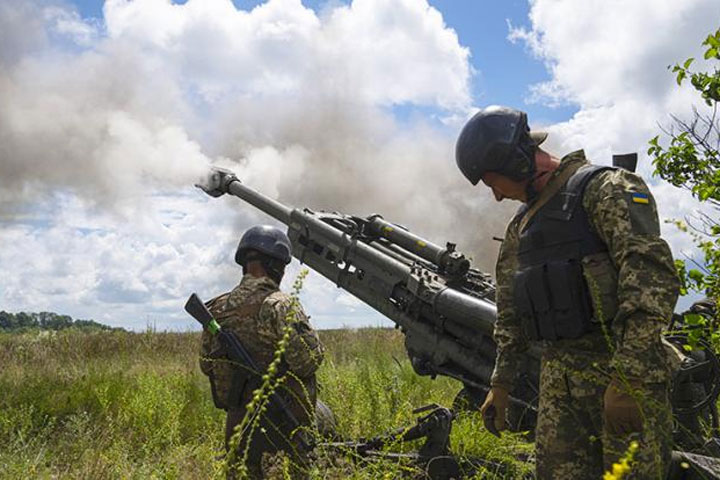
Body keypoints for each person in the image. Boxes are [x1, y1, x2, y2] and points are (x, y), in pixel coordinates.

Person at [455, 106, 680, 479]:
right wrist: (501, 383)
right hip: (560, 385)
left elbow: (650, 285)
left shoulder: (607, 190)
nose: (496, 197)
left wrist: (629, 380)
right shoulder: (522, 227)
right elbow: (510, 311)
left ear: (518, 163)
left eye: (495, 183)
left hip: (622, 378)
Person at [199, 225, 324, 479]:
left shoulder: (217, 308)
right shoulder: (280, 305)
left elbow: (206, 365)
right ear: (276, 265)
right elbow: (307, 364)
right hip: (286, 420)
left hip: (238, 423)